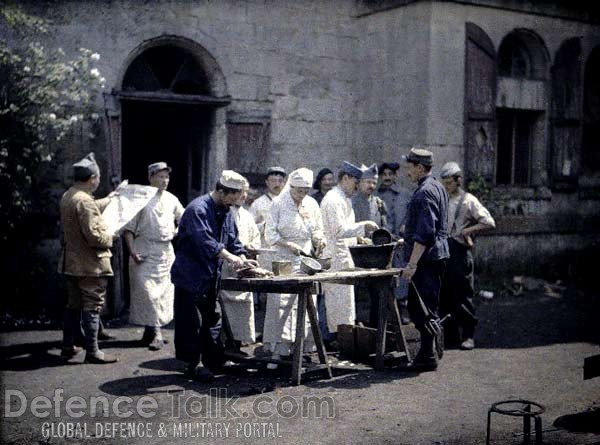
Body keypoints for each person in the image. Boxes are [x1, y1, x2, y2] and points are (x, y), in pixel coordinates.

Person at [171, 170, 256, 382]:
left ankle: (215, 361)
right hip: (190, 275)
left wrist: (243, 258)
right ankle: (194, 365)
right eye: (232, 198)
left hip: (211, 277)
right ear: (220, 191)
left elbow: (233, 240)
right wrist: (230, 258)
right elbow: (205, 241)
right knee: (192, 323)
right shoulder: (196, 210)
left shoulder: (226, 210)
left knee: (213, 320)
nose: (234, 203)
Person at [58, 152, 119, 364]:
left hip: (72, 263)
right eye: (98, 178)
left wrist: (109, 200)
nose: (98, 181)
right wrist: (111, 236)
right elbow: (94, 237)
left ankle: (68, 346)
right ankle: (93, 351)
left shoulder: (70, 195)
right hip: (90, 265)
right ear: (92, 179)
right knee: (93, 304)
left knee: (73, 304)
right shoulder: (85, 202)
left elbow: (88, 208)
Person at [263, 168, 326, 367]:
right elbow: (270, 234)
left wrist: (319, 240)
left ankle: (301, 348)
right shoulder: (279, 204)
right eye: (299, 190)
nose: (302, 194)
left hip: (306, 257)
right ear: (291, 187)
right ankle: (277, 351)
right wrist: (286, 244)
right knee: (282, 303)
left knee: (307, 302)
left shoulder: (311, 204)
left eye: (306, 190)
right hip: (283, 257)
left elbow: (317, 229)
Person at [123, 162, 184, 351]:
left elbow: (185, 219)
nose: (164, 180)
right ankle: (156, 333)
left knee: (162, 294)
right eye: (160, 176)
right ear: (150, 178)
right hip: (143, 249)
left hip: (165, 251)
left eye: (167, 177)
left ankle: (150, 331)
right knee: (147, 293)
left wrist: (175, 231)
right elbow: (128, 230)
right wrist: (132, 250)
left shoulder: (172, 199)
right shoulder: (140, 199)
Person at [400, 148, 449, 372]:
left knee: (422, 307)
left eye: (409, 166)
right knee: (426, 305)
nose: (407, 171)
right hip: (434, 256)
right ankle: (429, 352)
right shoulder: (436, 186)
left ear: (420, 168)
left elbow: (426, 233)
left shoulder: (425, 192)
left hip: (426, 260)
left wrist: (411, 264)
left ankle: (428, 355)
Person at [320, 162, 379, 345]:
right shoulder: (333, 199)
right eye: (356, 181)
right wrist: (363, 226)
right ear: (345, 178)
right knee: (337, 304)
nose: (357, 186)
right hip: (335, 259)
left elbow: (346, 231)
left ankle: (344, 341)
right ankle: (335, 341)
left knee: (345, 306)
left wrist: (358, 239)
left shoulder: (345, 198)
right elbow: (338, 231)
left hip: (345, 258)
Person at [439, 162, 495, 350]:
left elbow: (489, 222)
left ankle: (468, 336)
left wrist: (468, 231)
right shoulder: (443, 199)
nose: (446, 187)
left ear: (458, 180)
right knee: (445, 295)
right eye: (444, 183)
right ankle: (450, 336)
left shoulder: (469, 200)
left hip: (460, 254)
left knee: (463, 295)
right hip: (444, 252)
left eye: (449, 183)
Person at [219, 177, 261, 348]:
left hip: (243, 263)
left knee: (244, 303)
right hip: (226, 264)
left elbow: (256, 236)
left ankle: (239, 339)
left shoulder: (247, 215)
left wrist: (252, 247)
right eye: (241, 192)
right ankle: (226, 341)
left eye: (246, 192)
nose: (244, 195)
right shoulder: (224, 212)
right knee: (226, 303)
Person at [352, 163, 389, 327]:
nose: (371, 186)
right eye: (368, 182)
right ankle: (361, 326)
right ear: (359, 183)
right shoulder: (351, 202)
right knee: (360, 293)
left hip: (377, 256)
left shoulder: (379, 203)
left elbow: (384, 228)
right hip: (358, 256)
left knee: (378, 293)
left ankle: (376, 327)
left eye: (374, 182)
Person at [376, 162, 413, 324]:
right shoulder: (376, 195)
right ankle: (387, 313)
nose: (387, 178)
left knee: (403, 276)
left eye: (390, 174)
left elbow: (413, 214)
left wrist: (407, 225)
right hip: (383, 244)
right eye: (384, 175)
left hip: (402, 243)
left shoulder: (405, 195)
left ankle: (403, 308)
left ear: (396, 176)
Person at [249, 166, 287, 241]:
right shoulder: (258, 204)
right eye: (273, 181)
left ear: (284, 182)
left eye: (280, 181)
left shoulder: (290, 202)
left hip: (286, 247)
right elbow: (249, 229)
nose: (277, 184)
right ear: (267, 182)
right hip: (266, 247)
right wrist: (264, 226)